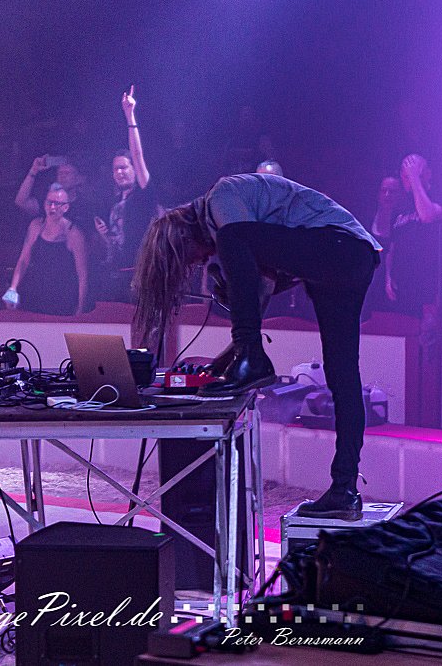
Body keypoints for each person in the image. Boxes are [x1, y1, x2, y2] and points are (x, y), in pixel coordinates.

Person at [132, 173, 381, 520]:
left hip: (337, 245)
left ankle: (253, 358)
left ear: (185, 236)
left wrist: (243, 352)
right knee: (343, 377)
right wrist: (226, 360)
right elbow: (258, 287)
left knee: (233, 237)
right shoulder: (236, 220)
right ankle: (344, 491)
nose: (199, 263)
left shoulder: (221, 198)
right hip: (352, 257)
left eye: (190, 257)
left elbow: (249, 267)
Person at [94, 85, 160, 302]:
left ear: (134, 169)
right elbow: (116, 244)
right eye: (116, 169)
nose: (119, 172)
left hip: (142, 276)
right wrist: (105, 235)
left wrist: (130, 116)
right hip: (117, 276)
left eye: (124, 167)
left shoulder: (143, 195)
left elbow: (137, 154)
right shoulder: (114, 202)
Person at [372, 155, 442, 342]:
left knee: (425, 345)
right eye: (405, 176)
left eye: (414, 173)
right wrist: (388, 277)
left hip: (426, 292)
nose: (409, 179)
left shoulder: (437, 197)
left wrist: (414, 179)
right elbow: (392, 248)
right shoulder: (401, 209)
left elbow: (427, 216)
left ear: (427, 174)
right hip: (401, 289)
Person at [3, 183, 88, 316]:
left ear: (65, 207)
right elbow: (23, 260)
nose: (52, 207)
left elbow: (82, 275)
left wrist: (80, 308)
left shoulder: (74, 234)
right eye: (49, 202)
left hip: (61, 299)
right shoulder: (36, 226)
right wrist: (13, 288)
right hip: (34, 294)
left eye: (56, 203)